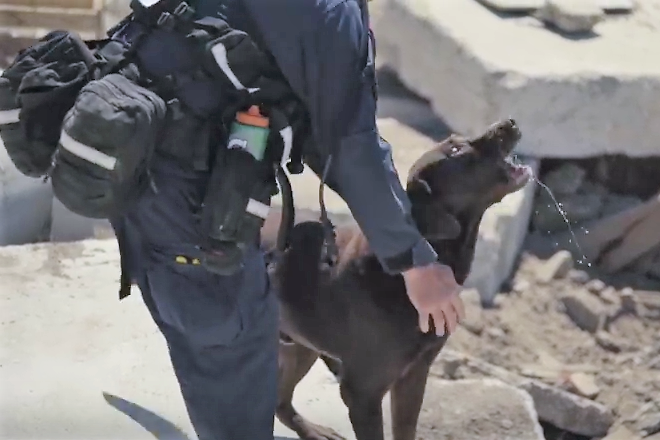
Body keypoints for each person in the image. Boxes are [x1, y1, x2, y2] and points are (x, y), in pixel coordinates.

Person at [107, 0, 466, 439]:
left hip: (128, 152)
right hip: (180, 194)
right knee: (233, 348)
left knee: (211, 340)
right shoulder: (329, 11)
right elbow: (350, 146)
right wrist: (414, 260)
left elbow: (325, 130)